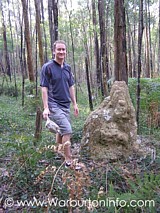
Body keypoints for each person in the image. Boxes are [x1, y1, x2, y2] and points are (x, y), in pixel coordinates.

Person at [40, 40, 79, 166]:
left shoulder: (67, 68)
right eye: (59, 49)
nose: (61, 52)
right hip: (53, 105)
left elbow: (71, 86)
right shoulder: (48, 67)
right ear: (54, 51)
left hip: (65, 104)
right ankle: (68, 159)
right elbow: (44, 88)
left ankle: (58, 151)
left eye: (63, 49)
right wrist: (46, 107)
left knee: (60, 130)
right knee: (67, 129)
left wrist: (75, 104)